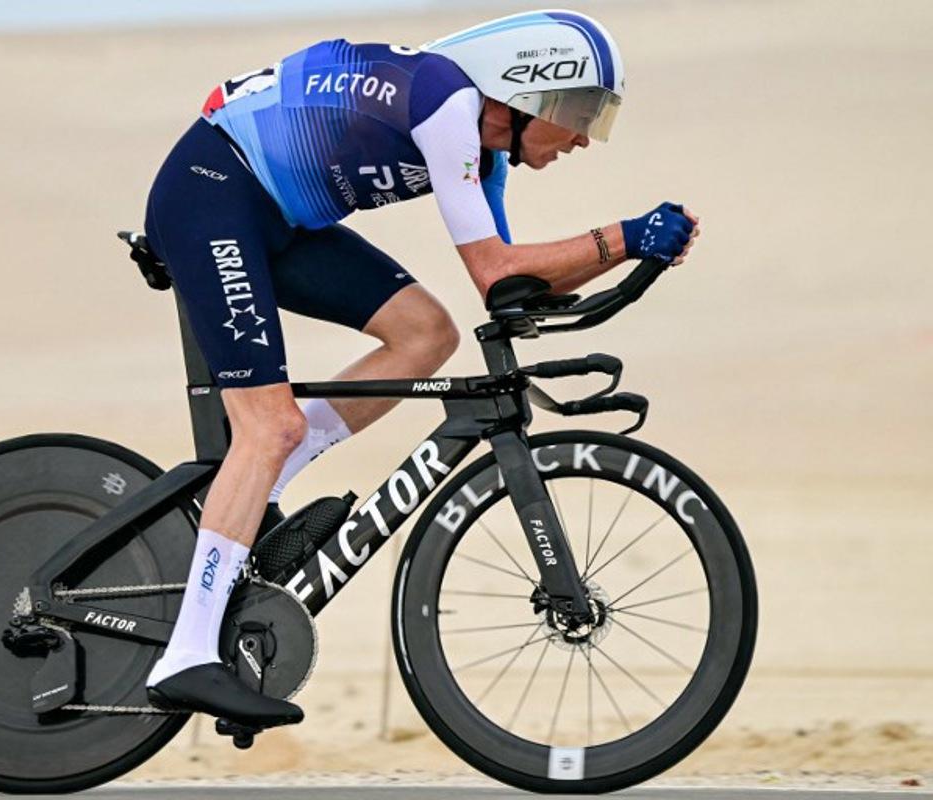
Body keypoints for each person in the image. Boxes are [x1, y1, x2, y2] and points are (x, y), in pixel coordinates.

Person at [141, 9, 699, 726]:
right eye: (583, 111)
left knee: (425, 333)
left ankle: (259, 484)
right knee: (267, 426)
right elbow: (500, 266)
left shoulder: (486, 153)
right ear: (530, 93)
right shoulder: (445, 100)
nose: (586, 136)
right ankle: (187, 655)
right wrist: (624, 234)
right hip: (210, 192)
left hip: (273, 218)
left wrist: (629, 252)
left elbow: (502, 285)